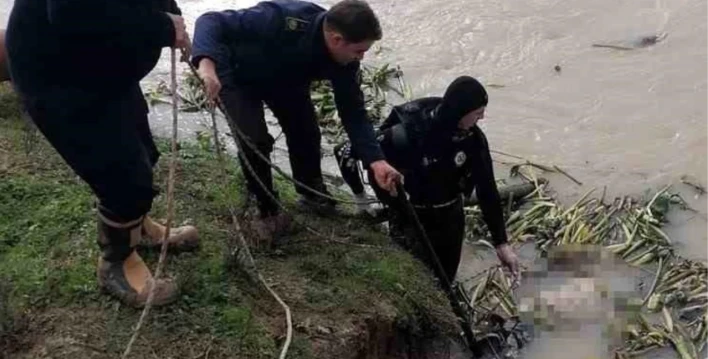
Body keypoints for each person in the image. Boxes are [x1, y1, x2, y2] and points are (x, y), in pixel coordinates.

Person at [6, 0, 199, 308]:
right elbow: (73, 13)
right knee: (123, 177)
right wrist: (161, 26)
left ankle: (138, 229)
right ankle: (117, 263)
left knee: (143, 151)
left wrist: (174, 20)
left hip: (101, 67)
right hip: (59, 77)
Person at [191, 0, 402, 241]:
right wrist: (207, 66)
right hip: (235, 76)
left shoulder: (345, 62)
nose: (361, 58)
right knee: (255, 140)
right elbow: (210, 21)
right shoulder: (282, 18)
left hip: (286, 81)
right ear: (336, 39)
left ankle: (311, 192)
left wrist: (376, 161)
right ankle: (266, 208)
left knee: (306, 132)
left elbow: (354, 113)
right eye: (359, 51)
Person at [334, 76, 520, 284]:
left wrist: (501, 243)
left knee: (445, 278)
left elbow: (487, 190)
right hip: (409, 216)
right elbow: (344, 151)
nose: (483, 117)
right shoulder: (405, 135)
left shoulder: (472, 140)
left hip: (450, 215)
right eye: (478, 112)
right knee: (411, 278)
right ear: (459, 112)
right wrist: (360, 199)